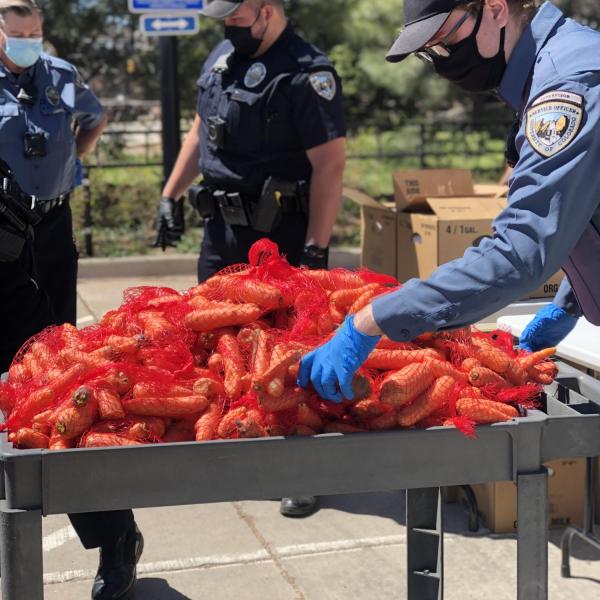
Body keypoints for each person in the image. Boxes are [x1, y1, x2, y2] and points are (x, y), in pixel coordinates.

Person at [298, 0, 600, 401]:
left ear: (493, 8)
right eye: (429, 52)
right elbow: (583, 203)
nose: (441, 62)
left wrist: (374, 319)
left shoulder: (568, 84)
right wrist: (574, 299)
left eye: (446, 42)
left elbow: (521, 250)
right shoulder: (563, 60)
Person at [155, 0, 347, 517]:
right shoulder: (222, 55)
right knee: (217, 347)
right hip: (221, 235)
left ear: (266, 10)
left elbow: (329, 165)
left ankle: (297, 471)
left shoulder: (307, 73)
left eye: (236, 18)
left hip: (278, 238)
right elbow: (200, 131)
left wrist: (316, 250)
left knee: (286, 354)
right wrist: (170, 194)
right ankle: (231, 446)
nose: (228, 27)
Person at [0, 3, 139, 600]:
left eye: (35, 34)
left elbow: (93, 119)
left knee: (61, 389)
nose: (28, 44)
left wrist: (69, 164)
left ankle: (116, 538)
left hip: (46, 236)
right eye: (17, 35)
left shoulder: (59, 74)